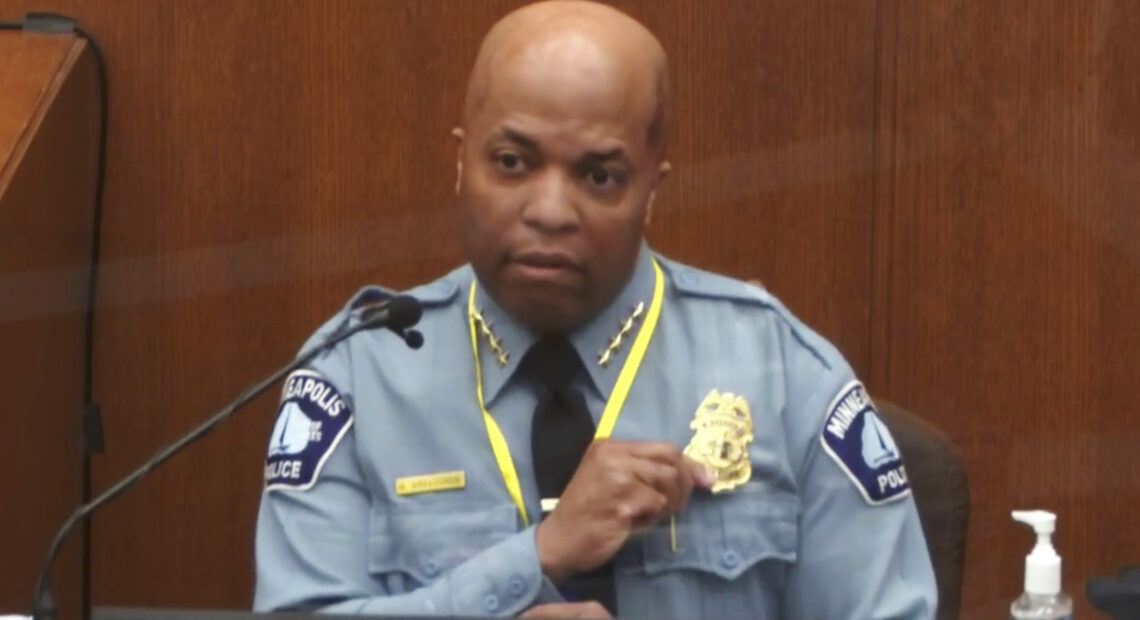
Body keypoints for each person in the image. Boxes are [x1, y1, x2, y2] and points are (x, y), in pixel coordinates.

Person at [253, 1, 938, 618]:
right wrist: (534, 559)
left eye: (599, 176)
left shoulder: (783, 374)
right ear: (462, 164)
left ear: (651, 189)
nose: (550, 212)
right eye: (513, 162)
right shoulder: (356, 376)